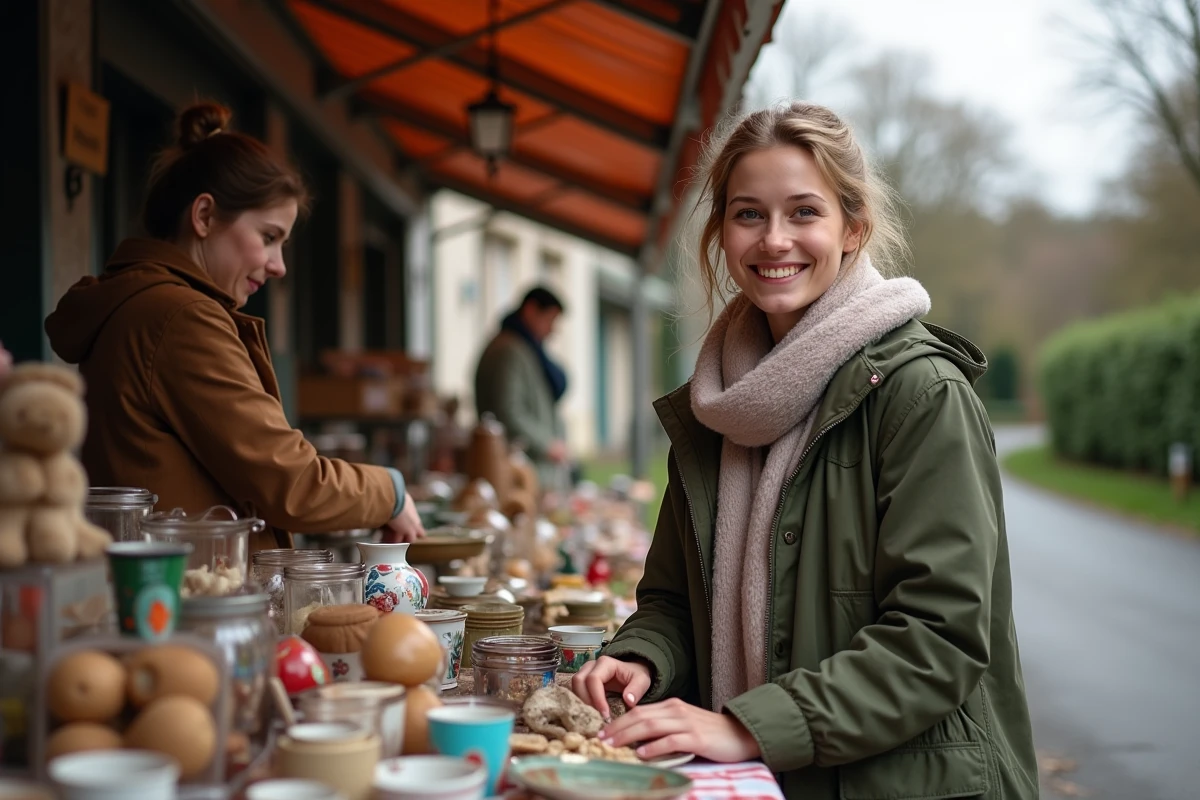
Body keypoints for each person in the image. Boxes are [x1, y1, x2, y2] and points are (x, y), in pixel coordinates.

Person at [572, 102, 1038, 800]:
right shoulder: (713, 408)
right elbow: (673, 598)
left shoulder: (921, 395)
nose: (774, 240)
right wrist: (642, 657)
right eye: (749, 214)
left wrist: (749, 726)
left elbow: (939, 639)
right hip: (763, 780)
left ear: (853, 227)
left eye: (803, 212)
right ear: (722, 232)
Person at [45, 102, 424, 552]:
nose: (279, 266)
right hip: (197, 604)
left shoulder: (143, 305)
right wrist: (390, 491)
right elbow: (292, 483)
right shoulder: (182, 317)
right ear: (204, 216)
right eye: (268, 237)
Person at [473, 286, 570, 488]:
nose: (552, 329)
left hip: (528, 468)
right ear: (531, 310)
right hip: (520, 473)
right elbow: (508, 411)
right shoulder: (509, 351)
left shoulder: (521, 348)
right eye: (550, 320)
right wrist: (547, 444)